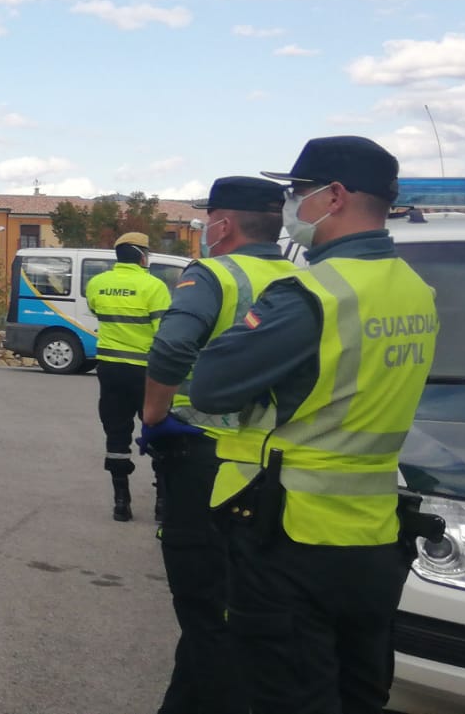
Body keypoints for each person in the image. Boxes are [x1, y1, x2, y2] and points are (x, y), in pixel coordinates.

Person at [187, 136, 437, 714]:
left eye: (300, 192)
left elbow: (210, 384)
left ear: (336, 196)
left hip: (291, 534)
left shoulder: (311, 295)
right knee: (359, 692)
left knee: (287, 694)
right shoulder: (415, 291)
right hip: (373, 537)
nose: (294, 205)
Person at [139, 176, 293, 714]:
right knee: (231, 606)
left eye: (209, 221)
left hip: (203, 453)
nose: (206, 230)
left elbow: (174, 343)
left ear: (223, 226)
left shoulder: (214, 273)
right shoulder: (301, 278)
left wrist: (154, 415)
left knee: (205, 611)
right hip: (274, 464)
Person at [84, 232, 171, 521]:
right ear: (141, 254)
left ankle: (121, 503)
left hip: (109, 370)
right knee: (160, 433)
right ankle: (162, 504)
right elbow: (164, 332)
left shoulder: (98, 283)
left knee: (116, 434)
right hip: (146, 372)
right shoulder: (154, 286)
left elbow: (95, 309)